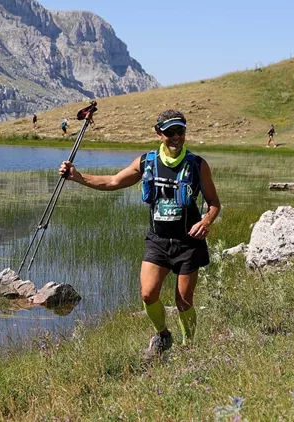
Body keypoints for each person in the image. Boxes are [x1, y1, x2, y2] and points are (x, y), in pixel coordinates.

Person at [58, 110, 221, 359]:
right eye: (170, 132)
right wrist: (78, 177)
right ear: (158, 133)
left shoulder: (198, 164)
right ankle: (163, 335)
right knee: (148, 294)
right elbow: (112, 182)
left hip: (189, 242)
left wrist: (206, 221)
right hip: (157, 241)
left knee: (184, 301)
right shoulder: (146, 162)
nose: (176, 137)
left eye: (181, 131)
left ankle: (189, 348)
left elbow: (214, 204)